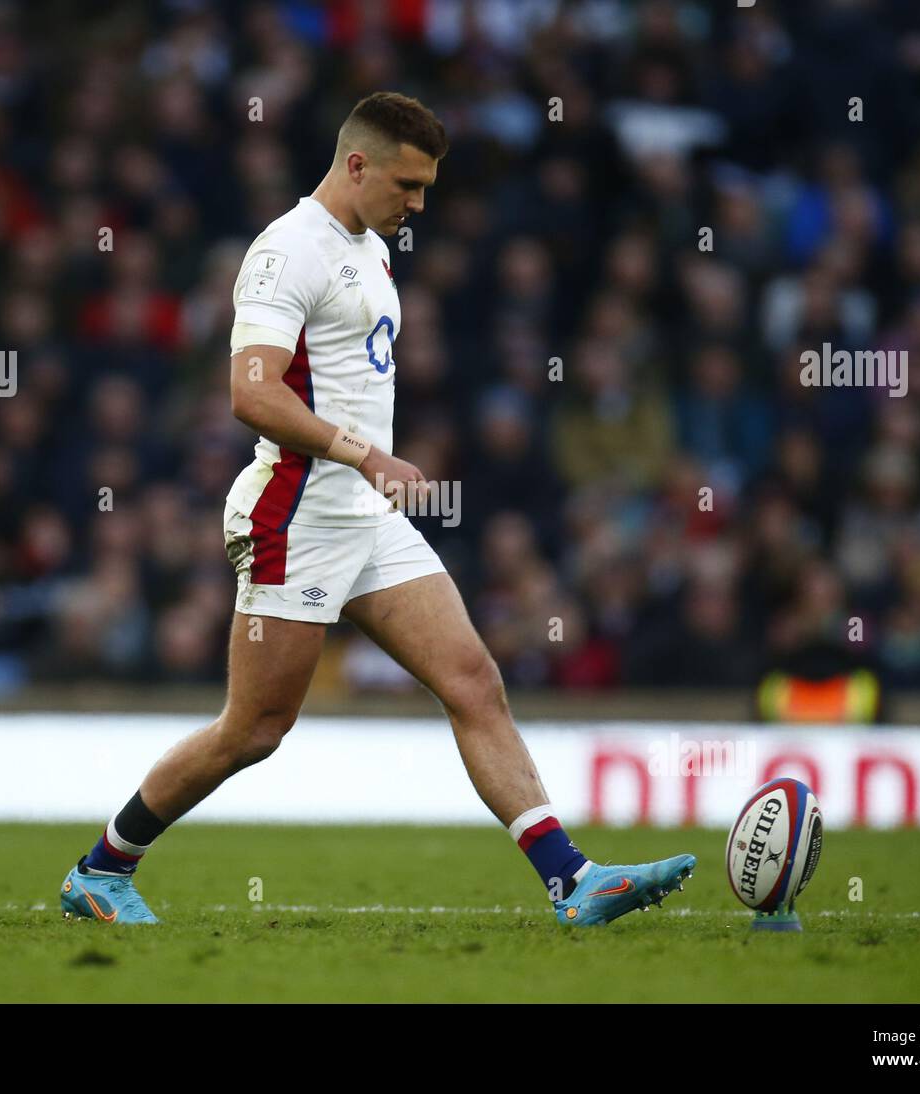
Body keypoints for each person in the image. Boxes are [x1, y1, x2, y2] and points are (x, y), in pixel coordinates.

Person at [60, 92, 695, 927]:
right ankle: (102, 869)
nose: (419, 204)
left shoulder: (370, 246)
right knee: (254, 728)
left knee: (474, 682)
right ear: (355, 164)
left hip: (364, 518)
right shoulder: (287, 251)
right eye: (408, 184)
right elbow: (249, 395)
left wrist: (369, 468)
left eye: (427, 187)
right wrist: (366, 455)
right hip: (294, 516)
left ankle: (571, 881)